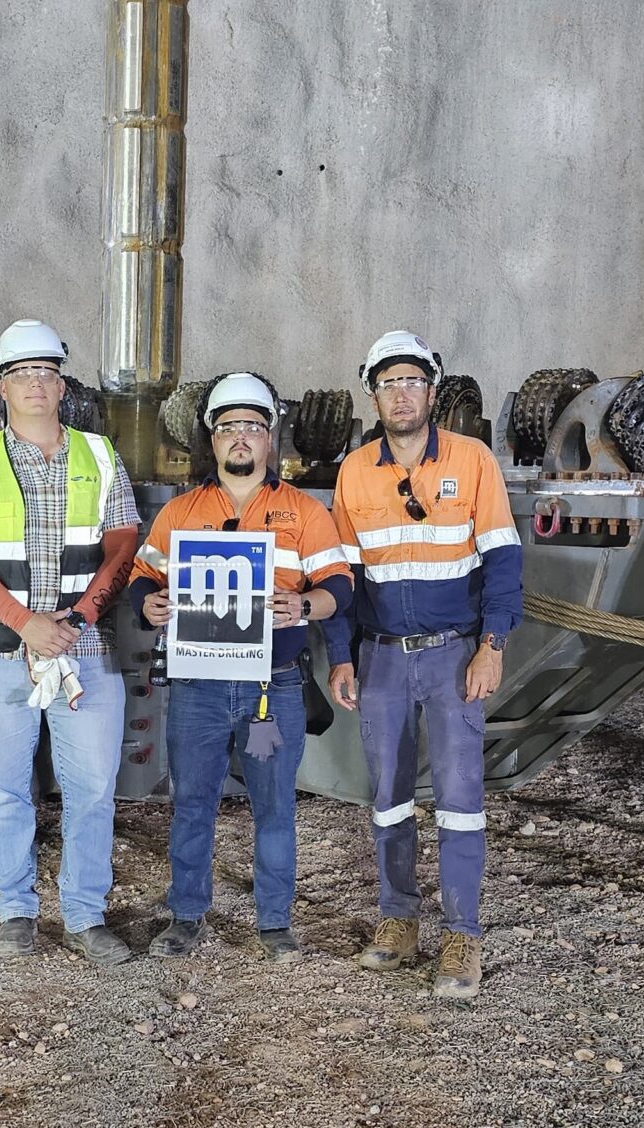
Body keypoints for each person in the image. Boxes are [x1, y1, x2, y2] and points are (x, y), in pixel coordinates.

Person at [323, 329, 522, 999]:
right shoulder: (354, 471)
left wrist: (492, 646)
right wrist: (341, 658)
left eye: (412, 382)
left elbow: (501, 558)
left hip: (454, 656)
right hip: (379, 660)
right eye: (388, 383)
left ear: (432, 392)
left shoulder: (471, 461)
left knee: (462, 800)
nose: (400, 394)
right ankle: (398, 921)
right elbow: (343, 577)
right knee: (388, 799)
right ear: (373, 395)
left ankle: (461, 934)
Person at [0, 320, 142, 965]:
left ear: (61, 383)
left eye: (45, 374)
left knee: (93, 789)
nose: (34, 385)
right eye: (21, 375)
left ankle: (85, 913)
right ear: (3, 386)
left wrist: (76, 620)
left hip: (86, 650)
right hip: (2, 651)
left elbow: (123, 547)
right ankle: (15, 910)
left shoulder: (101, 456)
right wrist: (27, 624)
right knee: (4, 785)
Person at [129, 373, 353, 959]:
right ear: (213, 438)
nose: (241, 439)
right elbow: (142, 578)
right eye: (229, 427)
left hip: (268, 692)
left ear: (270, 438)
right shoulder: (179, 513)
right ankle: (185, 914)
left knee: (274, 805)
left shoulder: (304, 512)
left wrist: (305, 604)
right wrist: (146, 603)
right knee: (193, 803)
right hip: (199, 688)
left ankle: (275, 921)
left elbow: (340, 588)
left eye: (253, 427)